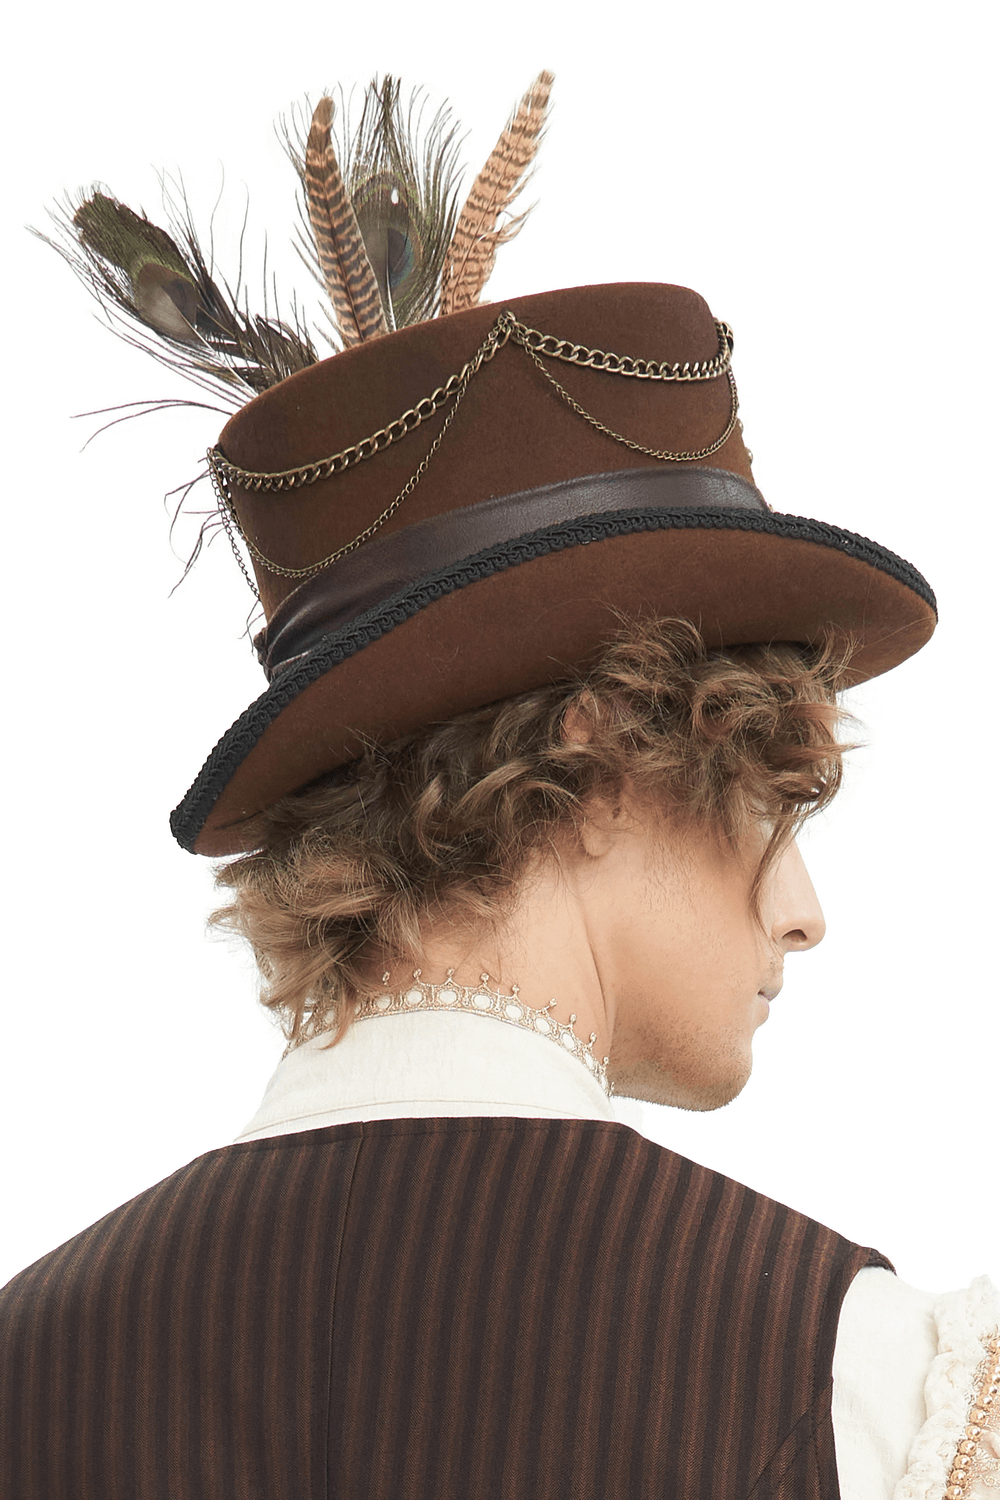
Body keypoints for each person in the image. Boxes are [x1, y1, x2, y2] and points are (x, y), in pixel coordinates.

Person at [2, 75, 997, 1500]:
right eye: (778, 805)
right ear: (598, 760)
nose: (803, 913)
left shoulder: (28, 1364)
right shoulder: (864, 1386)